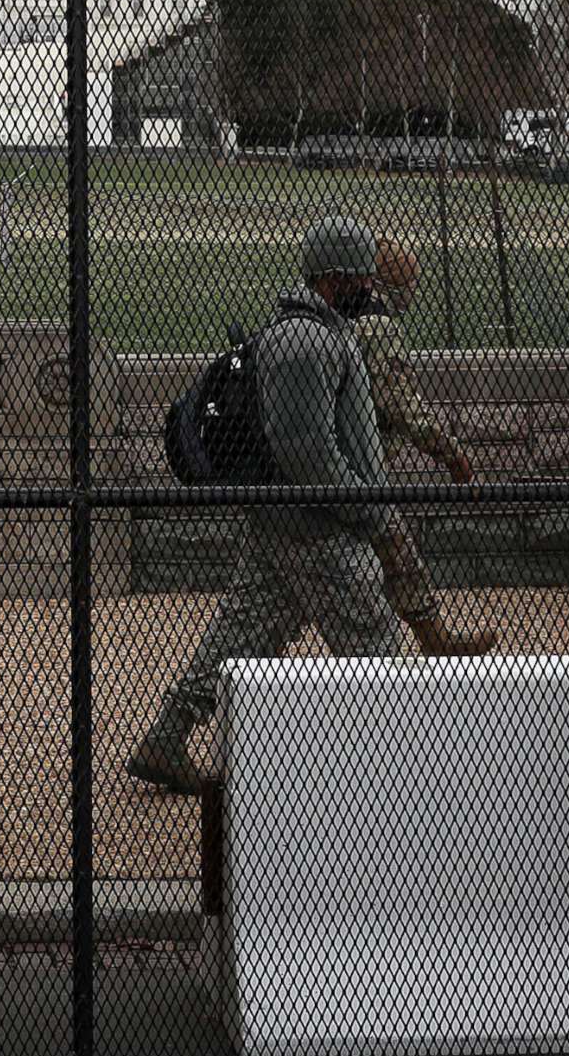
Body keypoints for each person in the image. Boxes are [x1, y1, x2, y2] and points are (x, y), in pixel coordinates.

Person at [126, 215, 409, 795]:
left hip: (286, 519)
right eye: (361, 277)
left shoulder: (313, 333)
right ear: (334, 279)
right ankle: (391, 775)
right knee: (376, 646)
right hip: (316, 525)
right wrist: (365, 508)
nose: (370, 288)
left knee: (241, 633)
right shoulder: (307, 342)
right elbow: (307, 450)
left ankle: (167, 736)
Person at [345, 238, 496, 657]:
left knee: (394, 549)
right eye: (410, 283)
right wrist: (452, 454)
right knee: (393, 551)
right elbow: (405, 408)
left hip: (340, 462)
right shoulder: (378, 325)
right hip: (355, 468)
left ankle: (432, 637)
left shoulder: (347, 313)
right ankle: (430, 640)